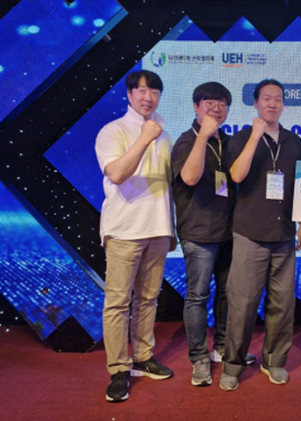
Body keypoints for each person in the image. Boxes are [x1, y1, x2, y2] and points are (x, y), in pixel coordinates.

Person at [219, 79, 301, 391]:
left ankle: (274, 361)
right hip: (250, 233)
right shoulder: (242, 138)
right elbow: (236, 175)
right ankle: (233, 364)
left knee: (282, 304)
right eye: (266, 98)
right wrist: (256, 136)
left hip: (284, 235)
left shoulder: (294, 141)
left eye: (278, 99)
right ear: (255, 103)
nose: (272, 104)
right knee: (242, 304)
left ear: (284, 104)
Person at [95, 70, 177, 403]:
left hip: (157, 229)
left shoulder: (165, 135)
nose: (148, 97)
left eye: (154, 91)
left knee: (148, 299)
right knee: (118, 302)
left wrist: (171, 228)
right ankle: (118, 368)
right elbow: (116, 173)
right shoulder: (113, 130)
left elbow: (169, 185)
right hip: (124, 230)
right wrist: (144, 137)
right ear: (129, 95)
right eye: (141, 91)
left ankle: (143, 356)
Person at [171, 82, 256, 388]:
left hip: (228, 231)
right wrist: (203, 136)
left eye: (222, 103)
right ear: (196, 107)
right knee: (197, 296)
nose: (217, 109)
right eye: (209, 102)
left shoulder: (228, 142)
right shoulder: (187, 140)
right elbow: (190, 177)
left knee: (226, 293)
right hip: (198, 233)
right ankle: (199, 358)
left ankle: (221, 346)